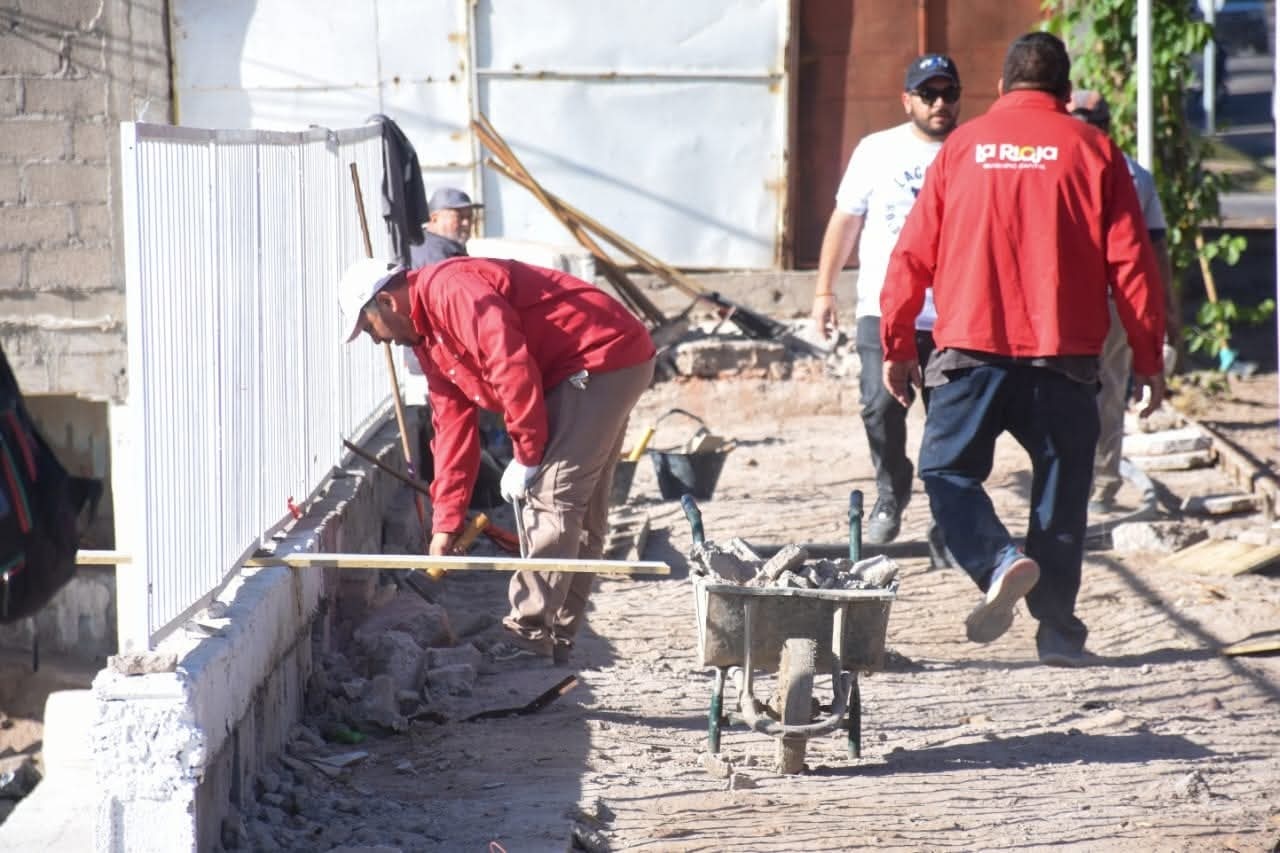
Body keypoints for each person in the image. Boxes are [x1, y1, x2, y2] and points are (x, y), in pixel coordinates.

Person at [880, 32, 1167, 666]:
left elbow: (910, 255)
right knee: (1061, 496)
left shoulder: (960, 148)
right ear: (1066, 94)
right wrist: (1149, 358)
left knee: (947, 473)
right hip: (1064, 360)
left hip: (968, 353)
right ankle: (1059, 633)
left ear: (1003, 89)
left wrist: (898, 345)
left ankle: (998, 559)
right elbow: (1135, 267)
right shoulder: (1096, 151)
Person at [339, 255, 656, 665]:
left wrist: (527, 454)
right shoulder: (430, 341)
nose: (376, 340)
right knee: (578, 505)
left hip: (598, 360)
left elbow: (510, 363)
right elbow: (452, 428)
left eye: (368, 328)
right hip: (598, 362)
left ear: (387, 302)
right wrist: (445, 525)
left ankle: (529, 632)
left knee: (553, 497)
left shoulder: (451, 290)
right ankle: (554, 634)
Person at [810, 53, 962, 547]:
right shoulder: (877, 150)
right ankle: (891, 491)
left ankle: (950, 516)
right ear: (907, 100)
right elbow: (846, 220)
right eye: (928, 94)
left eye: (949, 93)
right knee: (879, 407)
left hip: (955, 311)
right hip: (884, 304)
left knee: (950, 418)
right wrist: (823, 292)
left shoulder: (970, 151)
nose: (940, 103)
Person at [1067, 90, 1176, 513]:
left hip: (1109, 300)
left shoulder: (1133, 175)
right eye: (1080, 122)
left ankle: (1100, 484)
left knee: (1107, 389)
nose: (1088, 132)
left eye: (1095, 124)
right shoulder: (1057, 166)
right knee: (1070, 389)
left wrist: (1162, 315)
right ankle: (1074, 478)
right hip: (1066, 297)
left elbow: (1155, 246)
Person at [409, 187, 482, 268]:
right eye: (459, 217)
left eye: (469, 217)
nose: (466, 223)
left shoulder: (448, 248)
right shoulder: (433, 253)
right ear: (434, 218)